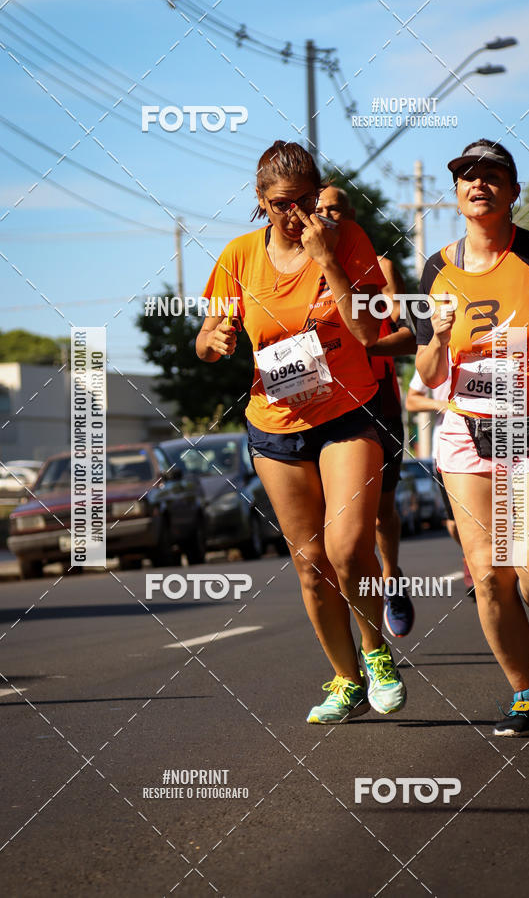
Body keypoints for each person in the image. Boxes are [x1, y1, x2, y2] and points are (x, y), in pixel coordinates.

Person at [196, 141, 406, 724]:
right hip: (276, 423)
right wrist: (212, 343)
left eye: (307, 200)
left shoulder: (348, 240)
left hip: (347, 414)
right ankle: (345, 680)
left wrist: (330, 260)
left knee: (346, 549)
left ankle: (376, 653)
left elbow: (370, 331)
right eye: (284, 203)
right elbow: (209, 333)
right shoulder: (239, 256)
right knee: (310, 562)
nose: (297, 214)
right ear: (261, 201)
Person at [415, 138, 529, 737]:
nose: (478, 184)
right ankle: (523, 691)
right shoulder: (436, 269)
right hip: (469, 429)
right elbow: (427, 373)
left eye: (492, 176)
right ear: (458, 193)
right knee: (489, 574)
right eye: (467, 176)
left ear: (513, 191)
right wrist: (438, 336)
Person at [316, 184, 417, 636]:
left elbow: (408, 334)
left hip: (377, 398)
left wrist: (369, 343)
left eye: (334, 209)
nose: (326, 216)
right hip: (320, 402)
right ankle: (361, 619)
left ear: (351, 213)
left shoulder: (382, 268)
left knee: (381, 510)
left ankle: (391, 577)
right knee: (334, 526)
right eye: (318, 209)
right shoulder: (295, 264)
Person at [405, 366, 475, 598]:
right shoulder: (437, 357)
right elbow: (411, 401)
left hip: (491, 445)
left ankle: (487, 565)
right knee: (454, 523)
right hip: (447, 450)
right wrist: (441, 404)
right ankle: (470, 554)